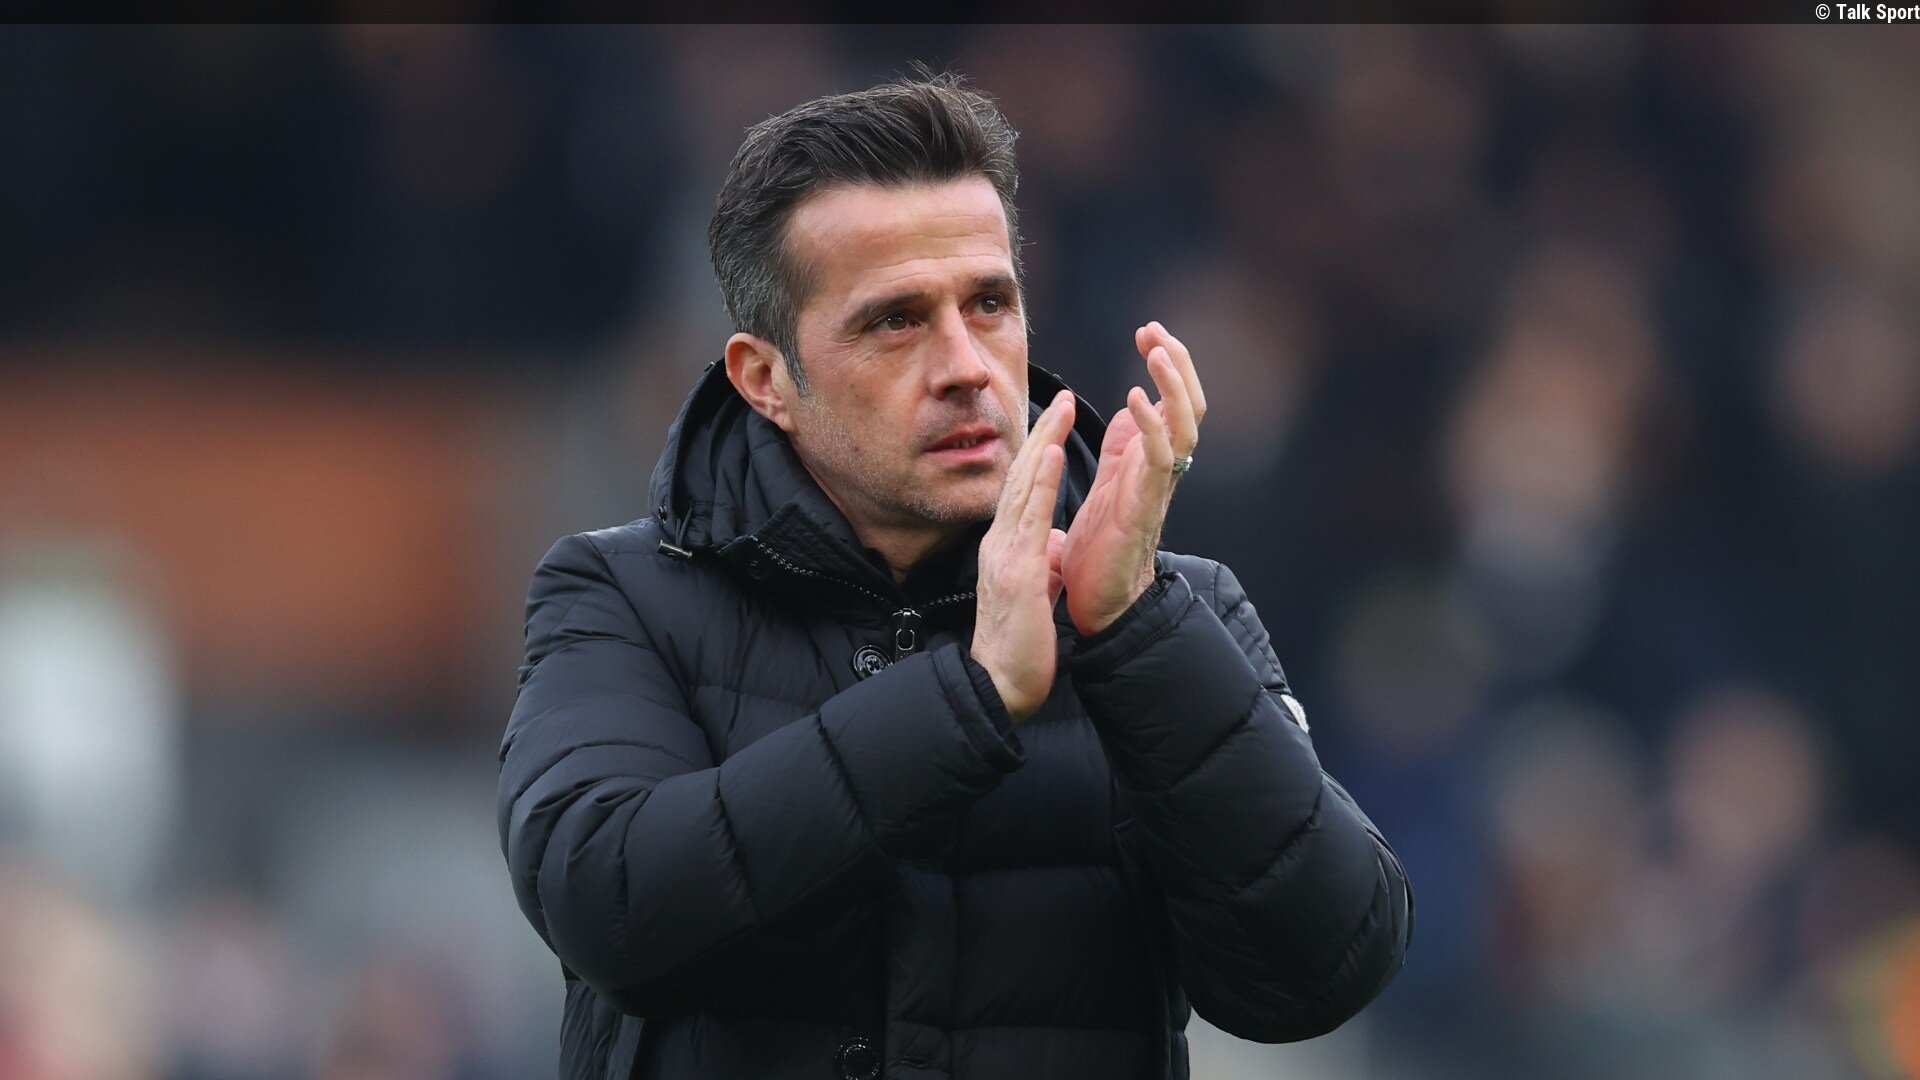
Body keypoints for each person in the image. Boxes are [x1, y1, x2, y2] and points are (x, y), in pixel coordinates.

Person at [497, 72, 1411, 1080]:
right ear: (766, 380)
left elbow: (1320, 973)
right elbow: (613, 912)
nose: (966, 364)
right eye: (895, 320)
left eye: (989, 304)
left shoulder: (1172, 614)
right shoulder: (621, 595)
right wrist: (971, 698)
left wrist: (1136, 629)